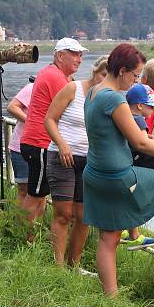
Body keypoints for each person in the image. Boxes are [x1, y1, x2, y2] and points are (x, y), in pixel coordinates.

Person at [82, 43, 154, 297]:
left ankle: (110, 296)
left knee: (108, 239)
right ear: (122, 71)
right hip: (118, 176)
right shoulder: (115, 99)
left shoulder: (94, 93)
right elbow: (140, 141)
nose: (135, 82)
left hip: (95, 173)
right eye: (135, 75)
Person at [43, 56, 108, 267]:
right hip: (63, 156)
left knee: (83, 216)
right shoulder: (73, 89)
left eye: (109, 77)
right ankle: (58, 266)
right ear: (95, 71)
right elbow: (49, 119)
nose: (104, 80)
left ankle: (75, 264)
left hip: (89, 160)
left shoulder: (108, 98)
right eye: (102, 75)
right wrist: (62, 144)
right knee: (63, 213)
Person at [19, 37, 87, 226]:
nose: (79, 59)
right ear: (60, 55)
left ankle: (30, 236)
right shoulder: (56, 78)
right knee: (36, 195)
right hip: (40, 143)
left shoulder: (52, 73)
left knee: (39, 194)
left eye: (80, 55)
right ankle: (18, 234)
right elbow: (74, 109)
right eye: (74, 54)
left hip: (37, 141)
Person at [122, 59, 154, 247]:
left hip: (132, 147)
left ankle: (131, 232)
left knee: (129, 191)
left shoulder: (134, 92)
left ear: (143, 77)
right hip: (146, 147)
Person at [7, 77, 35, 204]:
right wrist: (32, 122)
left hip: (44, 147)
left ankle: (37, 221)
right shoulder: (32, 88)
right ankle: (20, 222)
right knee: (24, 189)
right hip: (21, 146)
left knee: (40, 191)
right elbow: (12, 107)